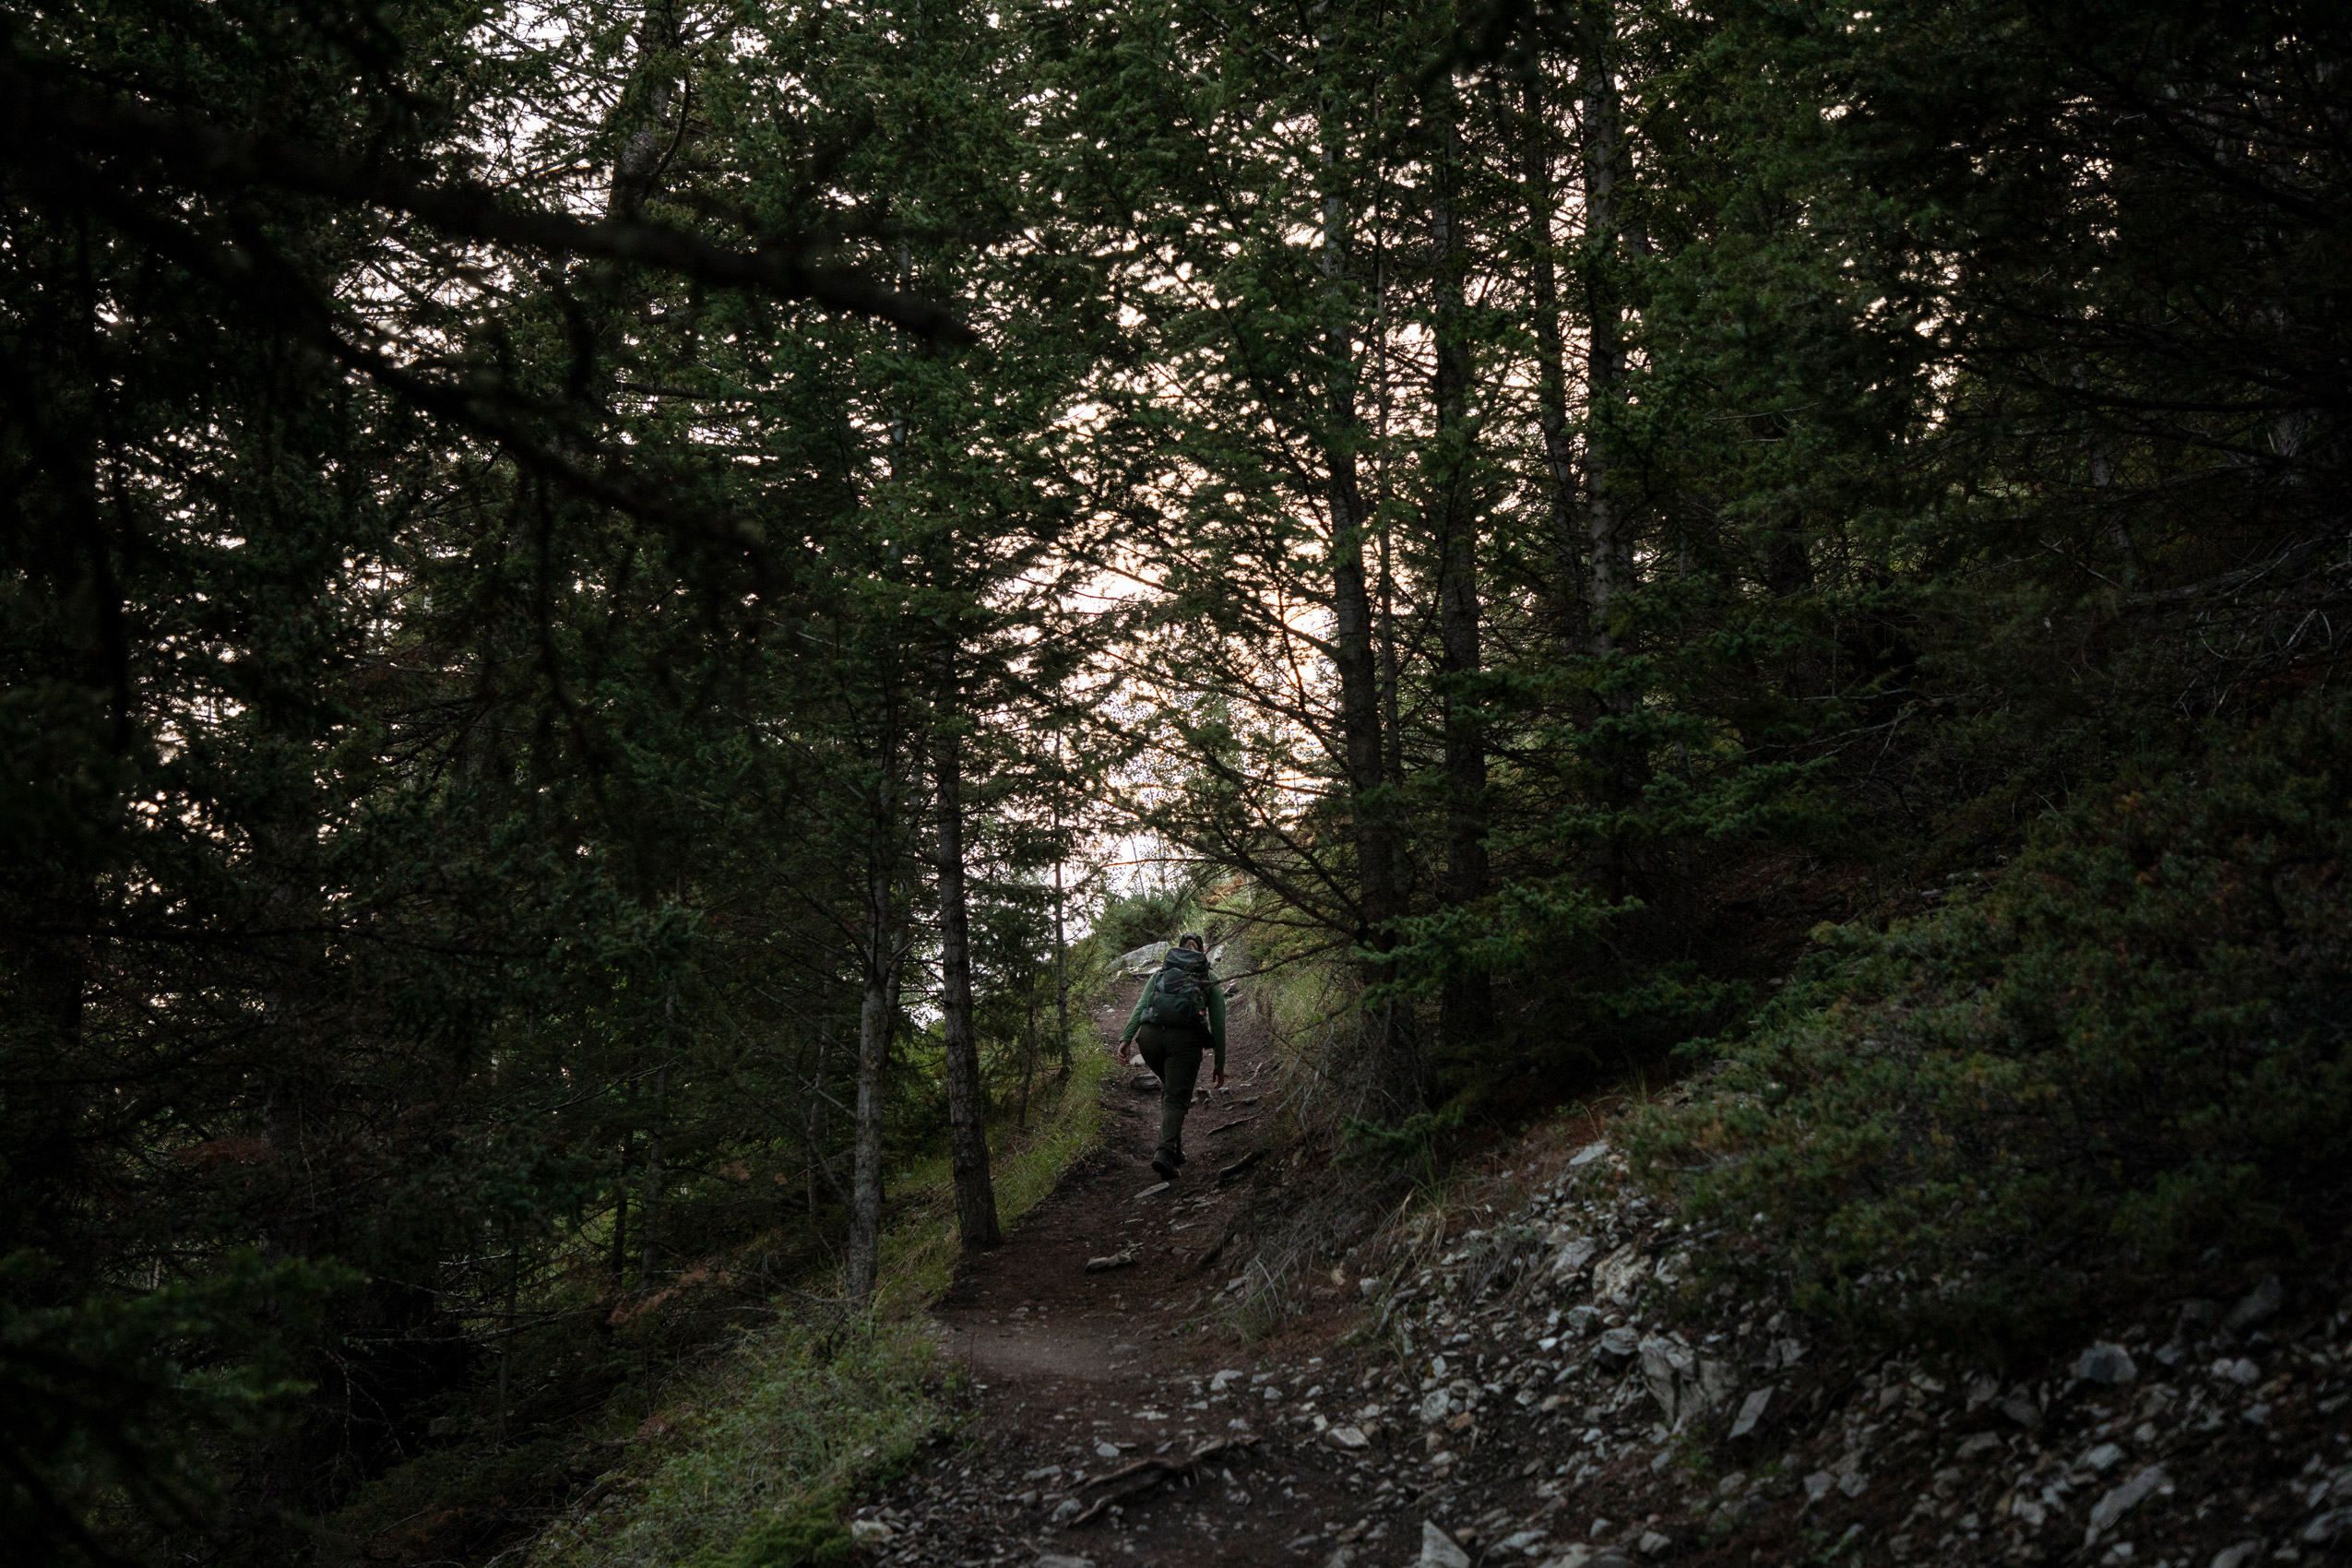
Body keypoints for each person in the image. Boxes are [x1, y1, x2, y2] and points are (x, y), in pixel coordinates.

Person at [1118, 932, 1227, 1182]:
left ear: (1179, 951)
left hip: (1149, 1040)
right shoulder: (1208, 977)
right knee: (1177, 1097)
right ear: (1202, 951)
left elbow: (1141, 1006)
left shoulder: (1161, 973)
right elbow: (1219, 1024)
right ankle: (1164, 1152)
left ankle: (1175, 1150)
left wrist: (1126, 1039)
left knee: (1171, 1088)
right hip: (1184, 1044)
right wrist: (1219, 1063)